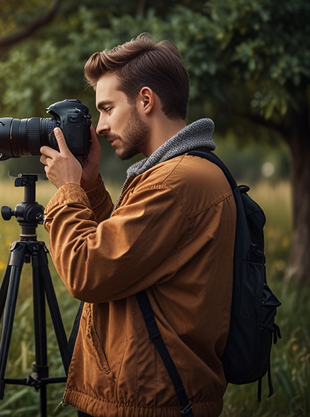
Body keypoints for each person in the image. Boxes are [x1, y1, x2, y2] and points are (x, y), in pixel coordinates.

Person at [39, 33, 236, 417]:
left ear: (146, 100)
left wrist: (68, 189)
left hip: (150, 400)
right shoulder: (181, 173)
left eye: (108, 109)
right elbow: (124, 256)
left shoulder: (173, 183)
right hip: (149, 392)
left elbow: (87, 271)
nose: (98, 127)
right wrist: (91, 186)